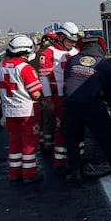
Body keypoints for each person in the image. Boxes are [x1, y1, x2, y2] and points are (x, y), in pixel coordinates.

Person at [62, 35, 111, 183]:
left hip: (71, 104)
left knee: (72, 139)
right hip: (93, 105)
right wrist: (110, 104)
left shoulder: (72, 60)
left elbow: (67, 79)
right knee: (106, 138)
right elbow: (110, 91)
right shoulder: (104, 65)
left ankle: (74, 171)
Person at [0, 35, 44, 183]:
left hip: (9, 111)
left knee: (15, 141)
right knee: (29, 143)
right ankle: (29, 174)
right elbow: (35, 94)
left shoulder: (0, 67)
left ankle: (15, 173)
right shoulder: (25, 68)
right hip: (27, 111)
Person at [38, 22, 80, 173]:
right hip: (59, 97)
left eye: (74, 41)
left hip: (75, 97)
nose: (72, 44)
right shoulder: (48, 53)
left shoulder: (76, 51)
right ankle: (60, 162)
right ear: (61, 37)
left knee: (78, 127)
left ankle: (79, 158)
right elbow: (44, 78)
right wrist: (48, 98)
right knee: (62, 128)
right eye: (70, 40)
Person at [32, 30, 58, 154]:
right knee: (50, 116)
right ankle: (49, 143)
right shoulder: (49, 53)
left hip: (37, 88)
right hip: (47, 88)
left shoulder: (38, 52)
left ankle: (43, 140)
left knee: (42, 115)